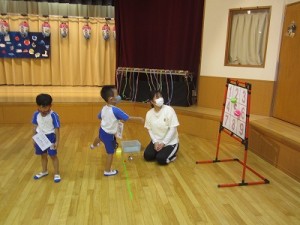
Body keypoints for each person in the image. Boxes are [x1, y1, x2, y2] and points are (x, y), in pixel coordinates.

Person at [96, 85, 144, 176]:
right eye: (117, 95)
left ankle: (93, 145)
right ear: (111, 99)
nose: (119, 96)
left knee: (99, 138)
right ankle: (107, 171)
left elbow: (99, 117)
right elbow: (128, 118)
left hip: (102, 131)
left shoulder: (104, 108)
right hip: (108, 135)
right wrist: (139, 119)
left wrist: (113, 119)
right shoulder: (116, 110)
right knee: (110, 153)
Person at [144, 90, 179, 165]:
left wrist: (163, 143)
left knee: (161, 159)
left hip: (170, 142)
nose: (160, 99)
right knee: (147, 156)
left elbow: (173, 129)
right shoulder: (149, 113)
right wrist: (155, 141)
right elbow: (149, 129)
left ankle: (172, 155)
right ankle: (160, 152)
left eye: (160, 96)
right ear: (152, 102)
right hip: (157, 141)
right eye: (157, 97)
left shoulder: (169, 110)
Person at [32, 93, 61, 183]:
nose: (43, 110)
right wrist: (33, 138)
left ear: (50, 106)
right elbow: (34, 126)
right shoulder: (36, 114)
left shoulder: (54, 115)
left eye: (46, 107)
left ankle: (56, 173)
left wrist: (57, 141)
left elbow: (57, 129)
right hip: (40, 137)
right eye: (41, 107)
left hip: (51, 137)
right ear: (38, 106)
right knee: (43, 155)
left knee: (53, 156)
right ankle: (44, 171)